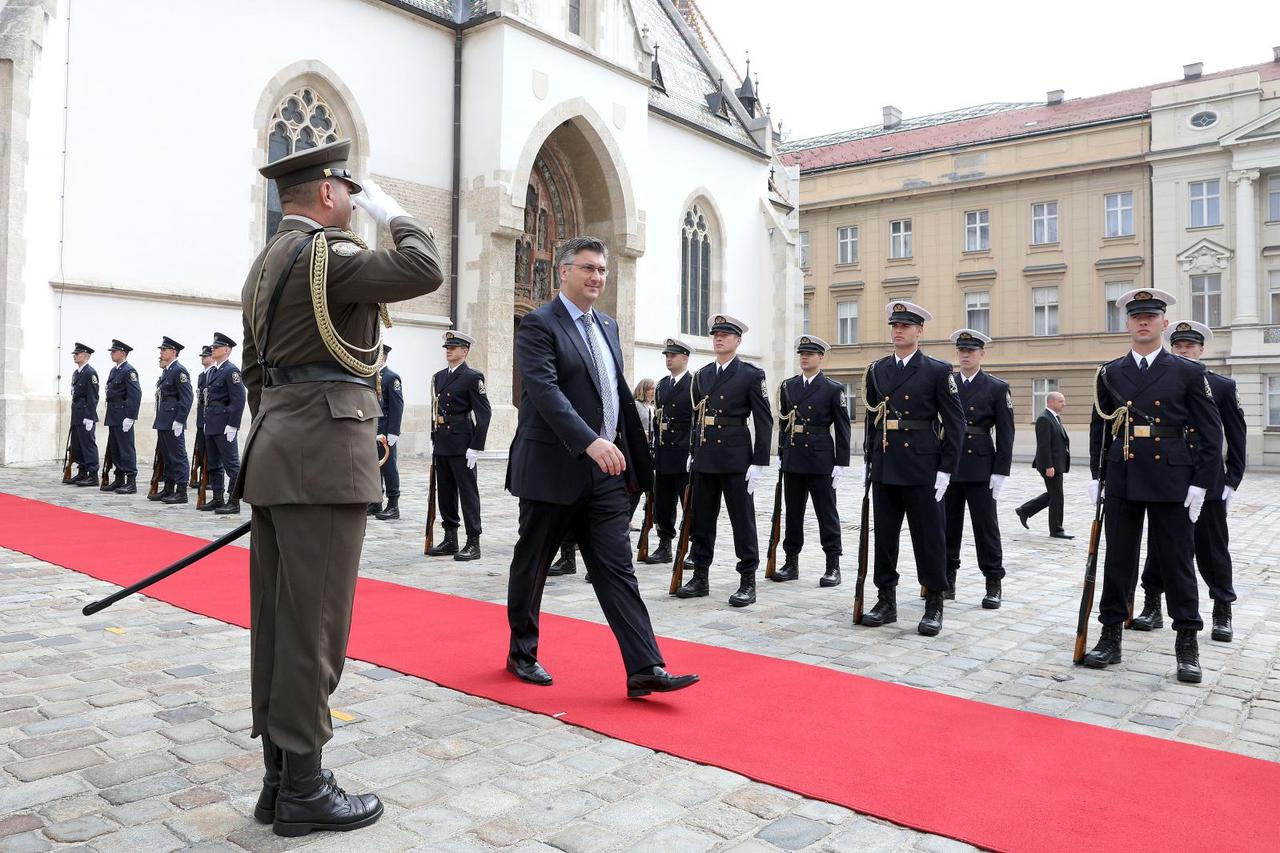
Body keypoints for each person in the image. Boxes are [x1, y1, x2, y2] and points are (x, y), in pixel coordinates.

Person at [236, 139, 443, 836]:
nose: (355, 201)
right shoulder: (331, 256)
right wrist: (394, 212)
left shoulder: (265, 263)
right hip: (324, 455)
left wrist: (277, 444)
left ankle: (277, 779)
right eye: (350, 190)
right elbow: (425, 266)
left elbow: (254, 375)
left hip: (280, 451)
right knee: (315, 628)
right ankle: (305, 788)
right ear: (327, 193)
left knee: (278, 623)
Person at [505, 235, 697, 698]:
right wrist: (590, 442)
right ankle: (522, 653)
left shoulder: (607, 325)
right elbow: (546, 394)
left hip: (606, 472)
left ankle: (644, 666)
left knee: (617, 569)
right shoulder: (538, 324)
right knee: (533, 564)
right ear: (564, 272)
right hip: (554, 468)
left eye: (602, 271)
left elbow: (616, 394)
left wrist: (637, 461)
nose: (596, 277)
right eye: (588, 268)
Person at [1081, 289, 1222, 684]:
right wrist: (1096, 475)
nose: (1143, 322)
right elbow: (1101, 428)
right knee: (1118, 561)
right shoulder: (1109, 372)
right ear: (1127, 323)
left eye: (1151, 316)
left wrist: (1201, 484)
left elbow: (1212, 434)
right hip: (1123, 474)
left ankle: (1187, 644)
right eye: (1136, 316)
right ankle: (1110, 636)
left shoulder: (1188, 372)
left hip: (1171, 477)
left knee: (1177, 562)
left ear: (1163, 323)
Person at [1130, 319, 1246, 642]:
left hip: (1207, 481)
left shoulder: (1222, 386)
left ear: (1201, 349)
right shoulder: (1163, 381)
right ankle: (1152, 603)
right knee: (1159, 546)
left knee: (1212, 548)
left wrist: (1232, 480)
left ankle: (1222, 609)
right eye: (1178, 346)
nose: (1183, 351)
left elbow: (1236, 437)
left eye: (1189, 346)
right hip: (1171, 478)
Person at [858, 302, 964, 636]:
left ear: (919, 331)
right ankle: (885, 599)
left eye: (905, 326)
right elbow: (873, 419)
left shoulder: (936, 370)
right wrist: (869, 459)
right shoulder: (877, 370)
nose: (898, 331)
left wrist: (946, 469)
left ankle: (934, 602)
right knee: (885, 537)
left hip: (922, 467)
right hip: (887, 465)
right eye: (894, 325)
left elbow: (955, 422)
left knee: (929, 539)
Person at [677, 314, 773, 607]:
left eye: (725, 335)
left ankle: (747, 580)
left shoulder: (750, 374)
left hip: (735, 459)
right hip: (706, 457)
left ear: (738, 340)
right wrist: (693, 452)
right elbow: (697, 418)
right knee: (701, 520)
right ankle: (700, 576)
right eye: (715, 334)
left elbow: (764, 420)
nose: (719, 339)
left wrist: (759, 462)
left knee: (742, 521)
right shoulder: (703, 375)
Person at [942, 329, 1014, 608]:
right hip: (950, 463)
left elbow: (1006, 432)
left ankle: (993, 582)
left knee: (986, 528)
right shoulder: (947, 383)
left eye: (971, 351)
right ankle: (947, 580)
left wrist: (1000, 471)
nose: (965, 355)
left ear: (982, 354)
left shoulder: (996, 387)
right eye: (961, 351)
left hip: (982, 465)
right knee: (948, 526)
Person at [772, 335, 850, 587]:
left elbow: (842, 427)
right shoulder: (788, 386)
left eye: (810, 354)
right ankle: (791, 561)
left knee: (826, 514)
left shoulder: (832, 388)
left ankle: (833, 565)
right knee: (793, 513)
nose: (804, 357)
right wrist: (782, 453)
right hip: (794, 458)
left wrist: (841, 462)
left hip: (820, 459)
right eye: (802, 353)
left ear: (820, 357)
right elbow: (785, 423)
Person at [424, 331, 491, 557]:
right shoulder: (438, 377)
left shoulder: (473, 377)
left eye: (453, 347)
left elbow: (484, 413)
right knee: (445, 491)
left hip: (462, 441)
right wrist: (433, 438)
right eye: (447, 347)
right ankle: (450, 538)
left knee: (467, 491)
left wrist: (476, 446)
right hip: (443, 440)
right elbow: (435, 410)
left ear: (465, 351)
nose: (448, 350)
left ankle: (473, 541)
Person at [641, 338, 694, 567]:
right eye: (666, 356)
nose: (668, 359)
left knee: (689, 504)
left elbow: (695, 420)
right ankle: (665, 544)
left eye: (672, 355)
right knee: (662, 503)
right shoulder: (662, 385)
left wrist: (692, 451)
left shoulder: (694, 384)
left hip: (683, 454)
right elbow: (657, 420)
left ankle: (693, 546)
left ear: (685, 358)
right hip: (663, 453)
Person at [1016, 391, 1072, 538]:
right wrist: (1048, 466)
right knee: (1057, 497)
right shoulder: (1044, 419)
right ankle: (1056, 530)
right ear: (1051, 402)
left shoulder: (1054, 418)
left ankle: (1025, 510)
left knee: (1054, 495)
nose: (1064, 404)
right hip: (1050, 465)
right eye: (1061, 401)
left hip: (1057, 464)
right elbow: (1043, 445)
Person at [203, 332, 246, 515]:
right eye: (213, 347)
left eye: (217, 347)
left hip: (224, 424)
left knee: (231, 464)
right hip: (212, 421)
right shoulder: (214, 371)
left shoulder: (231, 371)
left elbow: (238, 399)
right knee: (213, 464)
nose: (213, 349)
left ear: (226, 350)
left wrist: (233, 425)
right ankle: (218, 497)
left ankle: (233, 501)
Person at [149, 336, 193, 504]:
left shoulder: (179, 371)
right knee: (166, 456)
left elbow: (186, 398)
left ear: (173, 352)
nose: (161, 352)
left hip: (173, 420)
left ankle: (181, 491)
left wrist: (180, 420)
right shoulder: (167, 370)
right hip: (164, 419)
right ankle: (168, 488)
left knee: (177, 455)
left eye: (164, 349)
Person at [102, 340, 142, 494]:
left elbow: (135, 394)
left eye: (114, 351)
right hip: (113, 414)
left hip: (123, 416)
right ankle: (119, 478)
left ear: (123, 353)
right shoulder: (114, 370)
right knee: (115, 448)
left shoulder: (129, 371)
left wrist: (130, 417)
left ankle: (131, 481)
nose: (112, 353)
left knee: (126, 449)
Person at [371, 344, 405, 521]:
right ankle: (375, 501)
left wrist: (393, 431)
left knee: (388, 466)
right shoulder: (370, 376)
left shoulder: (391, 377)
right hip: (372, 428)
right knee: (373, 466)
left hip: (385, 429)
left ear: (384, 357)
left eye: (377, 356)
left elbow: (397, 406)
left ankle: (393, 505)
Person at [66, 342, 100, 486]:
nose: (75, 355)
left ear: (85, 356)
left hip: (86, 415)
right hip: (77, 414)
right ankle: (82, 472)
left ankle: (93, 475)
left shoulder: (90, 373)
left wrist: (90, 417)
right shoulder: (77, 373)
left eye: (77, 354)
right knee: (77, 445)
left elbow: (93, 397)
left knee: (88, 445)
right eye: (74, 353)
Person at [628, 377, 657, 530]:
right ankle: (626, 518)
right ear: (643, 390)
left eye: (654, 388)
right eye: (650, 388)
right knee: (635, 488)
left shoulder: (653, 407)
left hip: (651, 451)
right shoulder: (637, 406)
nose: (653, 391)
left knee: (647, 489)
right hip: (639, 450)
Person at [193, 345, 215, 502]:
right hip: (201, 418)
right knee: (202, 450)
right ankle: (204, 476)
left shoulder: (215, 374)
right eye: (202, 356)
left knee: (212, 453)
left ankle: (212, 479)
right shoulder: (202, 375)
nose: (203, 358)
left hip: (212, 419)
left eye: (205, 356)